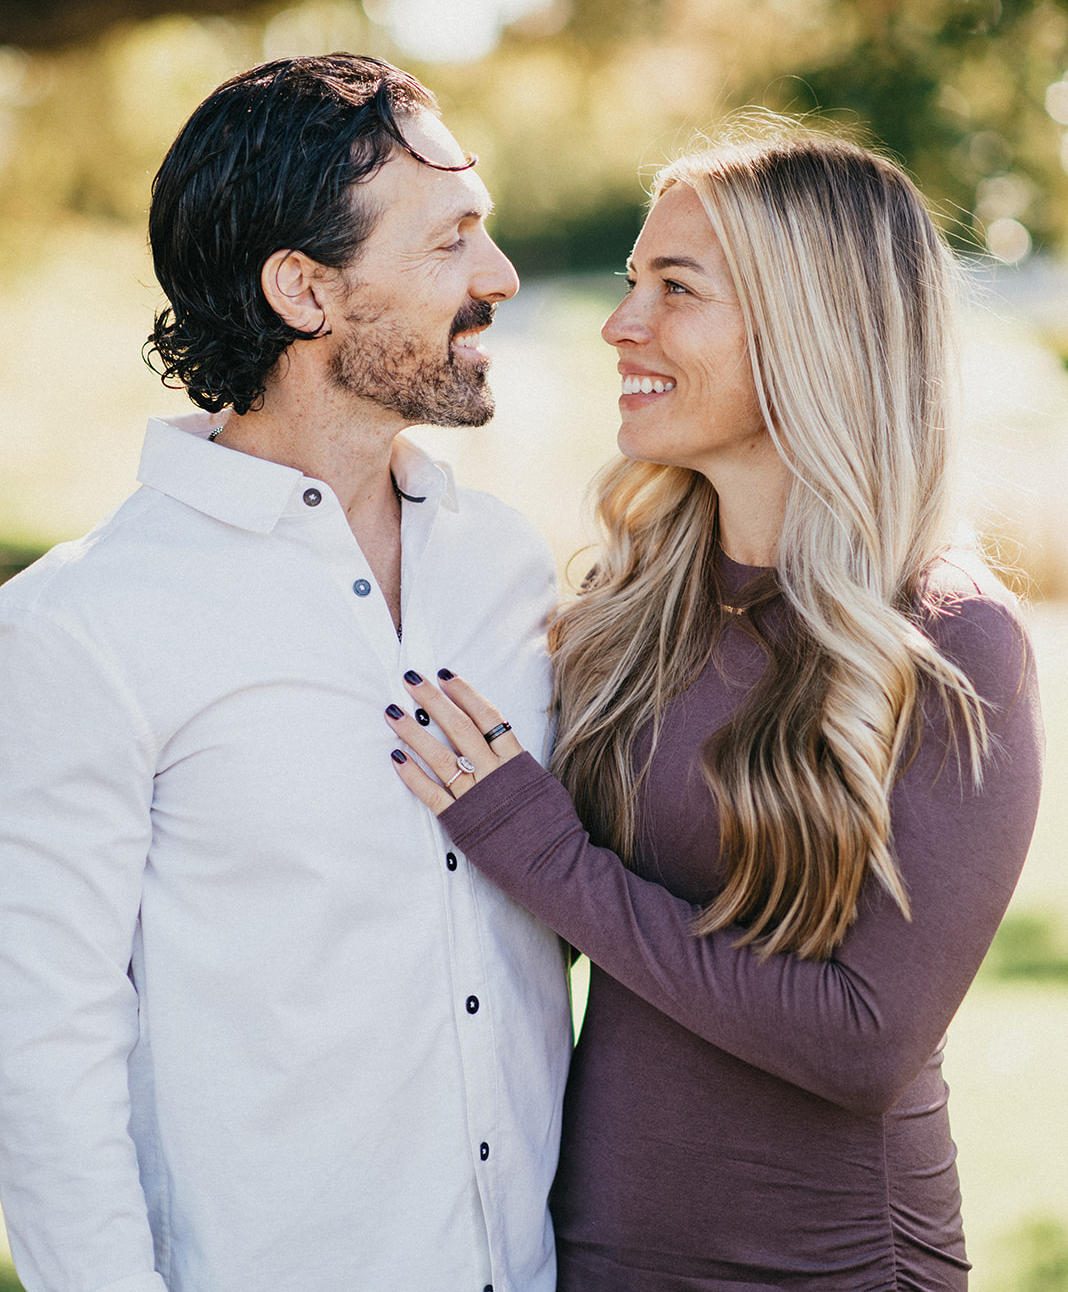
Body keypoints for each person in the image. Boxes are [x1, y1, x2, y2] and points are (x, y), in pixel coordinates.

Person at [389, 126, 1044, 1292]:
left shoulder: (948, 642)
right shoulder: (631, 611)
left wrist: (534, 846)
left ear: (810, 326)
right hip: (593, 1258)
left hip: (830, 1268)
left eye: (674, 288)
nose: (619, 323)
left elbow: (866, 1042)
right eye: (633, 280)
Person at [0, 54, 572, 1292]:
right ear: (305, 289)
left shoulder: (510, 569)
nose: (500, 276)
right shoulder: (81, 628)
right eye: (450, 241)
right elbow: (42, 1063)